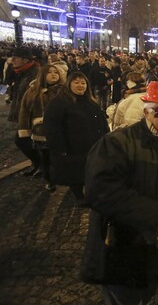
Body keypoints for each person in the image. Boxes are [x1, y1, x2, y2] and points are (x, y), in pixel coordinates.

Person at [81, 81, 158, 305]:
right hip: (120, 248)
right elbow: (99, 189)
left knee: (144, 296)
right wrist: (156, 215)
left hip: (156, 249)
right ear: (146, 111)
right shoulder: (117, 143)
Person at [44, 71, 109, 206]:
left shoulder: (91, 101)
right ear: (69, 84)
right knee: (76, 174)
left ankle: (92, 193)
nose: (80, 86)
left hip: (93, 145)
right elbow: (52, 127)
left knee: (92, 171)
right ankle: (79, 196)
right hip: (73, 147)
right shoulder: (59, 102)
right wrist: (59, 148)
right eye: (76, 82)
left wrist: (106, 138)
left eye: (83, 83)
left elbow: (102, 121)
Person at [17, 64, 65, 191]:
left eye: (56, 72)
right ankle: (49, 179)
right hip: (40, 132)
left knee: (60, 156)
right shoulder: (33, 91)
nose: (54, 74)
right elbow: (25, 111)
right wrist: (24, 129)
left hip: (60, 130)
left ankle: (61, 176)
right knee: (46, 157)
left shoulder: (64, 90)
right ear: (43, 75)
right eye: (50, 72)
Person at [7, 47, 40, 177]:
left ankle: (41, 164)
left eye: (16, 58)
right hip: (24, 113)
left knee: (22, 140)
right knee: (28, 140)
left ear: (25, 60)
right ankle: (38, 164)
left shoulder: (35, 73)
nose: (12, 60)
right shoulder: (21, 72)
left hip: (32, 114)